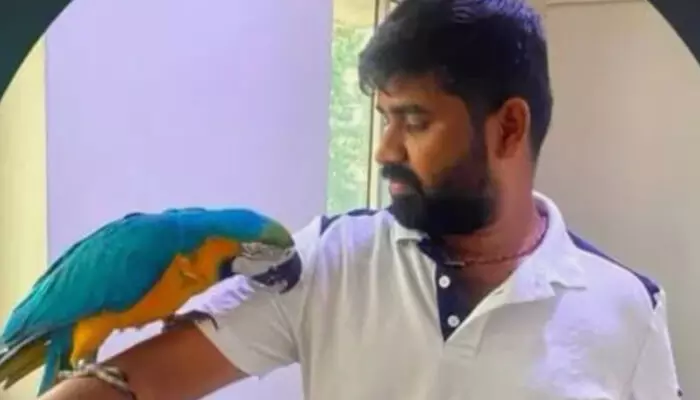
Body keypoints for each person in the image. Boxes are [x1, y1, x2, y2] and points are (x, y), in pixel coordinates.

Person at [40, 0, 682, 399]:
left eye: (415, 121)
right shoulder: (328, 258)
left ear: (509, 127)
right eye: (383, 118)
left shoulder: (630, 308)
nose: (383, 151)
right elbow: (134, 385)